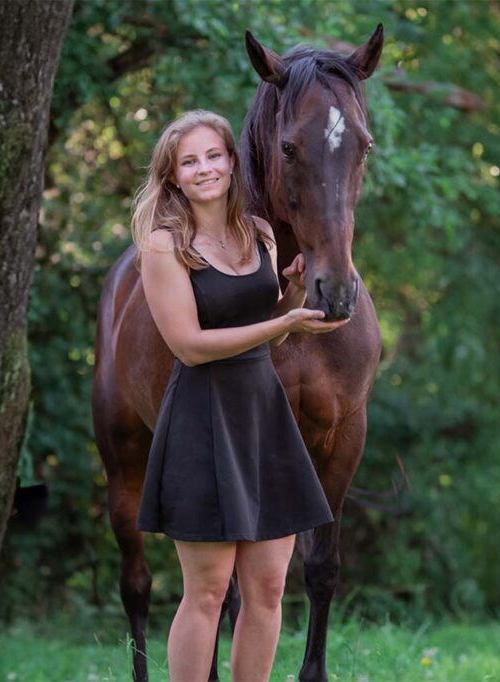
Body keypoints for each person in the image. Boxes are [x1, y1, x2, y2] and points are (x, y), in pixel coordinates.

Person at [131, 110, 344, 681]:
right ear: (172, 176)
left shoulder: (261, 232)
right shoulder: (163, 246)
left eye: (213, 156)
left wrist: (290, 288)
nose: (205, 169)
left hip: (264, 416)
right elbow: (191, 346)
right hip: (202, 419)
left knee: (270, 587)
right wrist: (286, 325)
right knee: (206, 592)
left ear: (231, 160)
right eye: (189, 161)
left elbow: (260, 308)